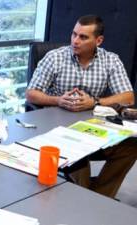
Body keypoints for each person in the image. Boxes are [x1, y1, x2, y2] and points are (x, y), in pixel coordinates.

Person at [26, 15, 137, 198]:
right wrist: (58, 100)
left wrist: (95, 101)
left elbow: (128, 97)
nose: (75, 41)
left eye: (83, 37)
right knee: (77, 154)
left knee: (133, 145)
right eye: (74, 34)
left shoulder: (110, 60)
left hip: (95, 129)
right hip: (59, 129)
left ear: (98, 40)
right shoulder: (54, 57)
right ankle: (93, 199)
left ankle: (97, 196)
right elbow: (31, 93)